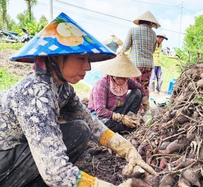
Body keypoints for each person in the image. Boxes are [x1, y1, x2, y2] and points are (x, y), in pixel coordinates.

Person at [0, 12, 157, 187]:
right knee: (56, 171)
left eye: (89, 60)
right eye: (81, 58)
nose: (88, 67)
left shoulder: (63, 89)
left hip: (21, 153)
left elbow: (90, 122)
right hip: (4, 157)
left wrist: (126, 148)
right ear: (57, 57)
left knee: (80, 129)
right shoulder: (35, 94)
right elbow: (55, 171)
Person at [88, 52, 149, 133]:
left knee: (137, 93)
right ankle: (123, 127)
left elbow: (140, 87)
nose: (123, 80)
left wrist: (146, 104)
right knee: (104, 123)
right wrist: (121, 118)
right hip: (101, 115)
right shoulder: (102, 84)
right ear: (113, 75)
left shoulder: (127, 81)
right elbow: (100, 110)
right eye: (120, 77)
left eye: (125, 78)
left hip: (118, 110)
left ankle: (130, 120)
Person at [118, 11, 160, 99]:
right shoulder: (153, 34)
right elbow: (152, 51)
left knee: (134, 87)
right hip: (149, 65)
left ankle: (135, 108)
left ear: (140, 21)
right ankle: (145, 107)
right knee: (145, 87)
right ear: (150, 23)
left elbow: (126, 47)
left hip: (136, 65)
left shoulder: (133, 30)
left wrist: (119, 53)